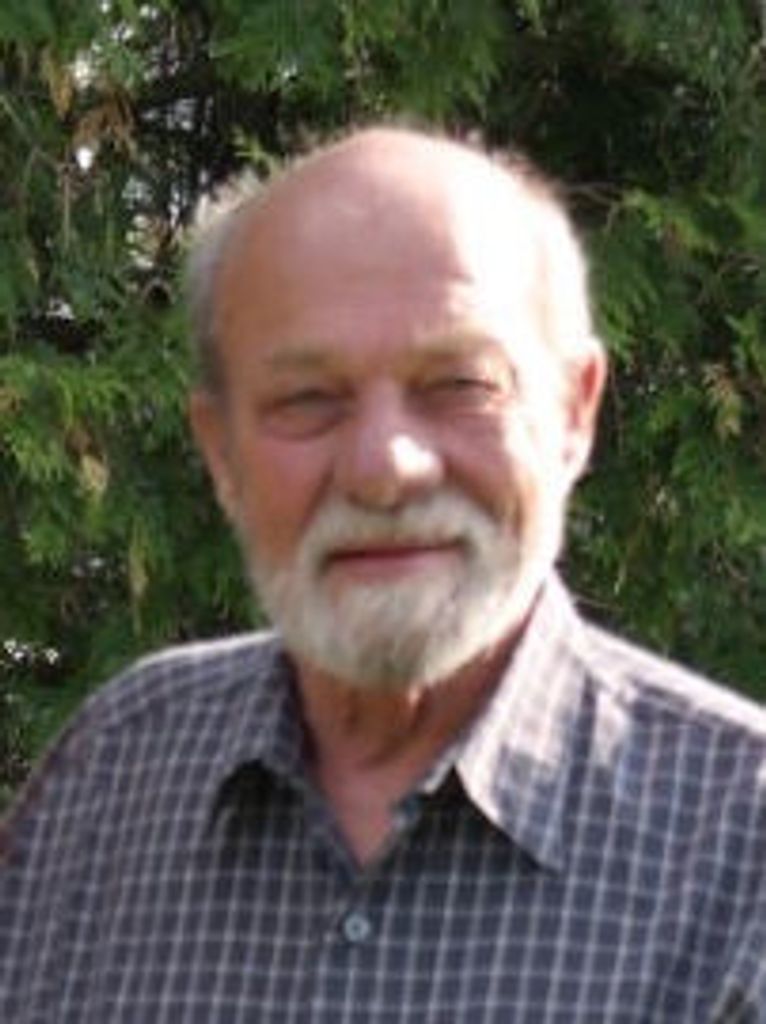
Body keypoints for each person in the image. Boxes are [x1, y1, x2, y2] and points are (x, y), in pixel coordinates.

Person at [1, 126, 764, 1023]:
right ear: (221, 453)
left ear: (573, 413)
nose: (385, 467)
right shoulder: (110, 784)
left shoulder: (741, 850)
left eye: (460, 384)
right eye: (307, 399)